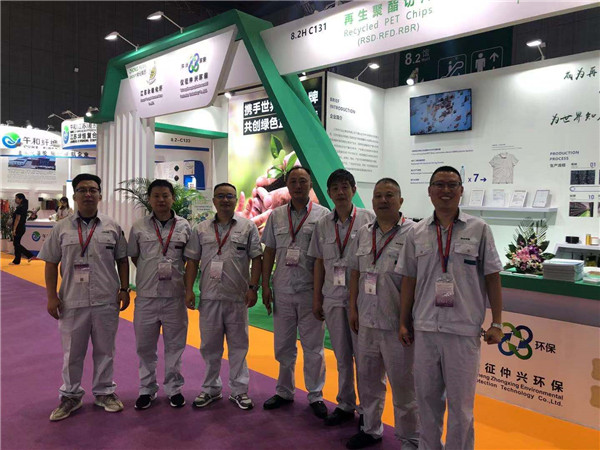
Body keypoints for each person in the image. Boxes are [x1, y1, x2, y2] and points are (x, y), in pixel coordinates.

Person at [397, 166, 504, 450]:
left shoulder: (479, 229)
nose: (445, 190)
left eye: (452, 185)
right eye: (439, 185)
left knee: (461, 406)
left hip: (462, 330)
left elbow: (493, 277)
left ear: (461, 191)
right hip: (425, 328)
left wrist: (497, 322)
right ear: (429, 191)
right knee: (426, 401)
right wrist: (404, 321)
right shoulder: (416, 232)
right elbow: (408, 279)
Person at [38, 173, 130, 421]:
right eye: (82, 190)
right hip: (71, 300)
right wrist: (51, 297)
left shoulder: (112, 226)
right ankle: (70, 396)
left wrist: (124, 289)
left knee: (105, 350)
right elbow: (50, 263)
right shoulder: (61, 228)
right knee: (72, 353)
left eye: (93, 190)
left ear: (100, 195)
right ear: (74, 196)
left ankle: (104, 392)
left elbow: (122, 260)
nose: (88, 194)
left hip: (106, 300)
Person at [346, 178, 420, 450]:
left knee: (404, 386)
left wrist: (406, 321)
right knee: (368, 381)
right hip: (366, 320)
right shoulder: (364, 233)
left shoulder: (414, 233)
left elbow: (418, 279)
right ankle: (370, 428)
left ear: (401, 200)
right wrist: (353, 308)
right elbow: (356, 272)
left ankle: (410, 438)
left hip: (398, 325)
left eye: (390, 195)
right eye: (378, 196)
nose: (383, 200)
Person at [184, 182, 263, 410]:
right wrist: (189, 290)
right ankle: (211, 389)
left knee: (239, 346)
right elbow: (192, 261)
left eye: (230, 196)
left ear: (234, 199)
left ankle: (239, 390)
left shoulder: (247, 227)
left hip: (237, 297)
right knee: (210, 347)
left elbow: (256, 258)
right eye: (221, 196)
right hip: (209, 297)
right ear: (214, 201)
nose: (225, 200)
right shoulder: (201, 229)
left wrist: (253, 287)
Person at [308, 169, 375, 426]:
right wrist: (317, 298)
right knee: (342, 356)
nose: (340, 192)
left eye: (345, 187)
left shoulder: (368, 220)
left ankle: (367, 410)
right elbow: (318, 262)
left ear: (354, 190)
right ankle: (345, 404)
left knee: (365, 358)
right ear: (329, 193)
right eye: (335, 188)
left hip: (362, 301)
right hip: (333, 298)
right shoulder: (323, 223)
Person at [261, 166, 329, 418]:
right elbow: (269, 251)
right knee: (283, 345)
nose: (298, 186)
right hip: (282, 289)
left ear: (310, 184)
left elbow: (325, 257)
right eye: (293, 181)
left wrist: (320, 295)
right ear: (287, 185)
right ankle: (284, 391)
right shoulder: (276, 216)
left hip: (311, 291)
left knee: (313, 347)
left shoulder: (323, 215)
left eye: (303, 181)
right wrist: (264, 285)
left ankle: (316, 394)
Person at [127, 179, 192, 410]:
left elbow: (190, 259)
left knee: (175, 346)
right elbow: (135, 256)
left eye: (165, 195)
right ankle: (147, 389)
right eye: (156, 196)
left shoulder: (184, 226)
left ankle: (174, 389)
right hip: (147, 297)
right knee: (145, 347)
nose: (161, 200)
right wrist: (150, 272)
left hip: (175, 296)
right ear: (149, 199)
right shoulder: (139, 226)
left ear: (172, 198)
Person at [9, 193, 35, 265]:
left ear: (20, 199)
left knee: (16, 244)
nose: (15, 200)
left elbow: (17, 219)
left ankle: (29, 255)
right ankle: (17, 260)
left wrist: (14, 229)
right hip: (22, 227)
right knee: (16, 244)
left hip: (18, 227)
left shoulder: (20, 208)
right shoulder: (24, 207)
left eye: (16, 198)